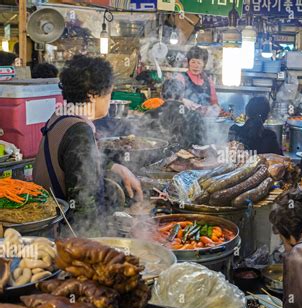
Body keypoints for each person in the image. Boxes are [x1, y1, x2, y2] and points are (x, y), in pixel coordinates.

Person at [34, 55, 143, 233]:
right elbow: (84, 204)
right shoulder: (79, 131)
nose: (109, 100)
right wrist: (100, 241)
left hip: (53, 222)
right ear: (92, 96)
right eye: (109, 94)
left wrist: (117, 168)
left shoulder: (60, 117)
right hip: (65, 234)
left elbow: (76, 161)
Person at [142, 79, 205, 148]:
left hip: (158, 156)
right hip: (187, 156)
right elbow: (201, 144)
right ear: (182, 95)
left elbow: (143, 142)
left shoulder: (149, 115)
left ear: (161, 95)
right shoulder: (195, 116)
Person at [176, 46, 219, 116]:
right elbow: (174, 99)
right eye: (193, 62)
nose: (195, 66)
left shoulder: (208, 81)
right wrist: (183, 101)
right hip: (185, 120)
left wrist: (215, 110)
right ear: (188, 62)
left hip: (205, 121)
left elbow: (215, 103)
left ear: (204, 64)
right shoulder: (181, 78)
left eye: (199, 63)